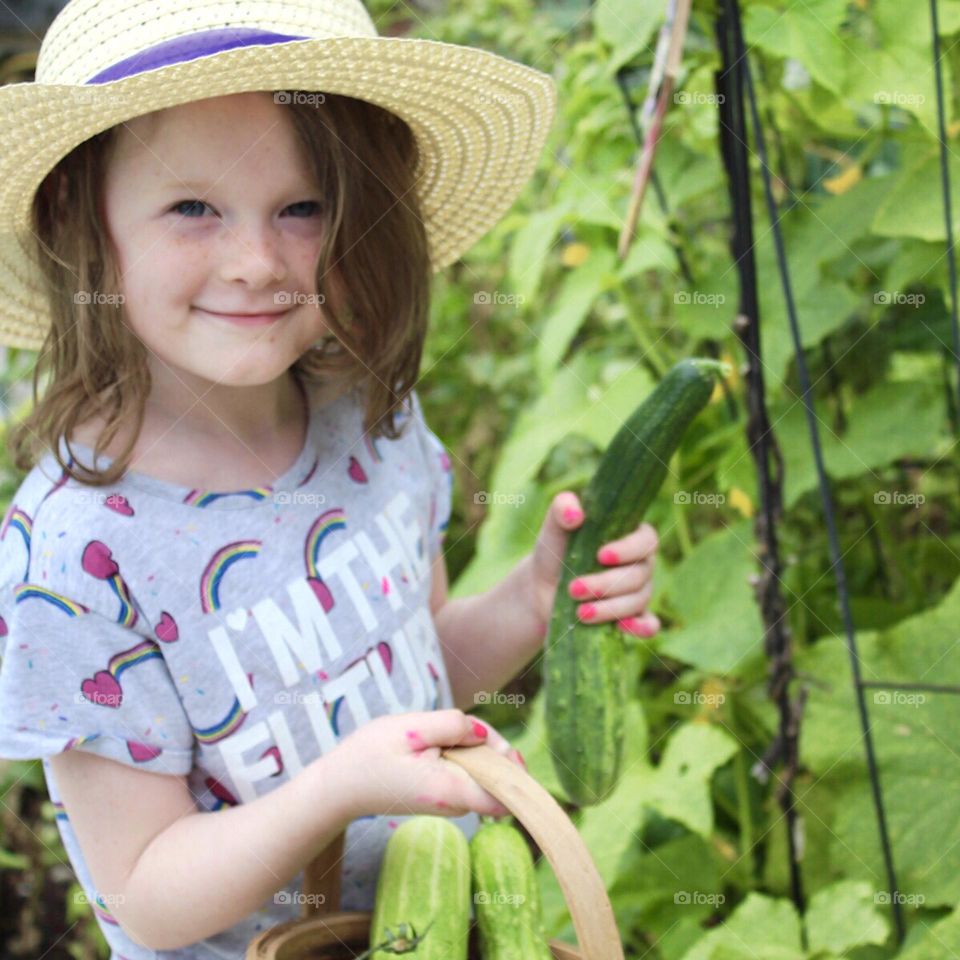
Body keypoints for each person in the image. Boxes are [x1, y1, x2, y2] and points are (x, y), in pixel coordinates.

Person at [0, 0, 662, 956]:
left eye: (303, 208)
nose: (257, 262)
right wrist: (339, 790)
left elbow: (419, 666)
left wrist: (534, 597)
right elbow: (143, 889)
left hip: (430, 932)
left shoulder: (367, 420)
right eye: (193, 207)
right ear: (78, 216)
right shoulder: (78, 552)